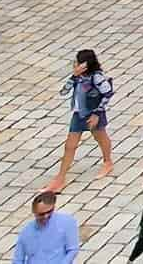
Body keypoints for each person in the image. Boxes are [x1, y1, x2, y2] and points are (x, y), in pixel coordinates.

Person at [47, 49, 113, 191]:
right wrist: (73, 76)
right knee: (69, 146)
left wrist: (97, 113)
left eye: (77, 63)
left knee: (100, 138)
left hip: (93, 113)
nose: (75, 65)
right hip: (79, 114)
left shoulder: (96, 77)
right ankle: (61, 177)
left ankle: (107, 161)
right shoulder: (77, 77)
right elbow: (63, 92)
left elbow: (108, 93)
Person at [10, 192, 79, 263]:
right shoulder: (26, 232)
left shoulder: (67, 222)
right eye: (41, 214)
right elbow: (18, 259)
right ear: (34, 212)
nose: (46, 216)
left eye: (49, 211)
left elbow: (72, 250)